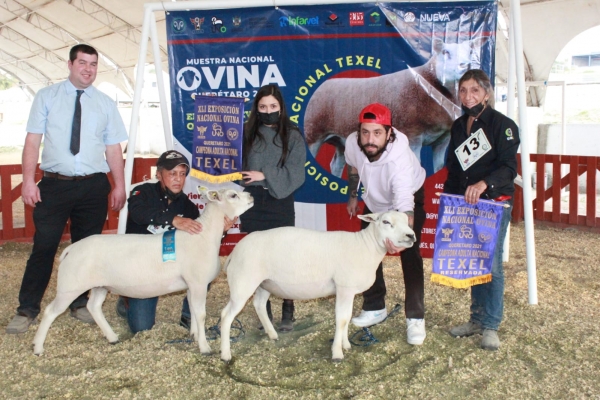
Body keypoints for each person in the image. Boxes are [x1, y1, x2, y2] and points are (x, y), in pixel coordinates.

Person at [6, 44, 128, 334]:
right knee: (44, 247)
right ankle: (27, 309)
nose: (88, 69)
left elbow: (113, 149)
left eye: (94, 64)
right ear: (70, 64)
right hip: (54, 185)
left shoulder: (105, 104)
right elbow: (32, 142)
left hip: (93, 186)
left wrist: (119, 185)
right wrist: (26, 180)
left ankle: (79, 303)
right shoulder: (46, 97)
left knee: (86, 250)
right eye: (83, 63)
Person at [116, 150, 236, 333]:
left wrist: (222, 230)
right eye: (172, 174)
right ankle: (126, 297)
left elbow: (200, 241)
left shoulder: (188, 206)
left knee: (205, 267)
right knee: (141, 328)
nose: (178, 179)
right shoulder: (143, 192)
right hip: (142, 267)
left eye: (181, 174)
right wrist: (173, 219)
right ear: (158, 174)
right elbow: (139, 213)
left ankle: (189, 316)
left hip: (168, 266)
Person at [444, 69, 520, 351]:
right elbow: (454, 168)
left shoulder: (504, 125)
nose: (467, 96)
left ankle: (491, 325)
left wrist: (484, 183)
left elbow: (509, 168)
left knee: (492, 264)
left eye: (474, 90)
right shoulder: (458, 126)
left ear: (487, 92)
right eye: (463, 90)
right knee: (474, 260)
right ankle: (476, 319)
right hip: (465, 204)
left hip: (494, 202)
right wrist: (449, 202)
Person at [345, 103, 427, 345]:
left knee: (410, 254)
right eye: (365, 132)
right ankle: (375, 306)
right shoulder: (353, 142)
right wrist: (353, 195)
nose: (370, 139)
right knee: (366, 250)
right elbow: (352, 165)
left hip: (409, 197)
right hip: (375, 199)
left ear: (389, 133)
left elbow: (404, 204)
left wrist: (400, 240)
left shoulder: (398, 160)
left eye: (377, 133)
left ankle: (415, 318)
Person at [240, 84, 306, 332]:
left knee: (285, 256)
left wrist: (263, 174)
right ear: (256, 108)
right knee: (257, 258)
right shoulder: (246, 134)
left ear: (281, 107)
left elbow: (296, 173)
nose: (268, 111)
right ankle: (263, 311)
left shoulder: (293, 135)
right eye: (263, 106)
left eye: (273, 106)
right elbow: (239, 170)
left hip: (280, 202)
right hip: (254, 203)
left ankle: (288, 309)